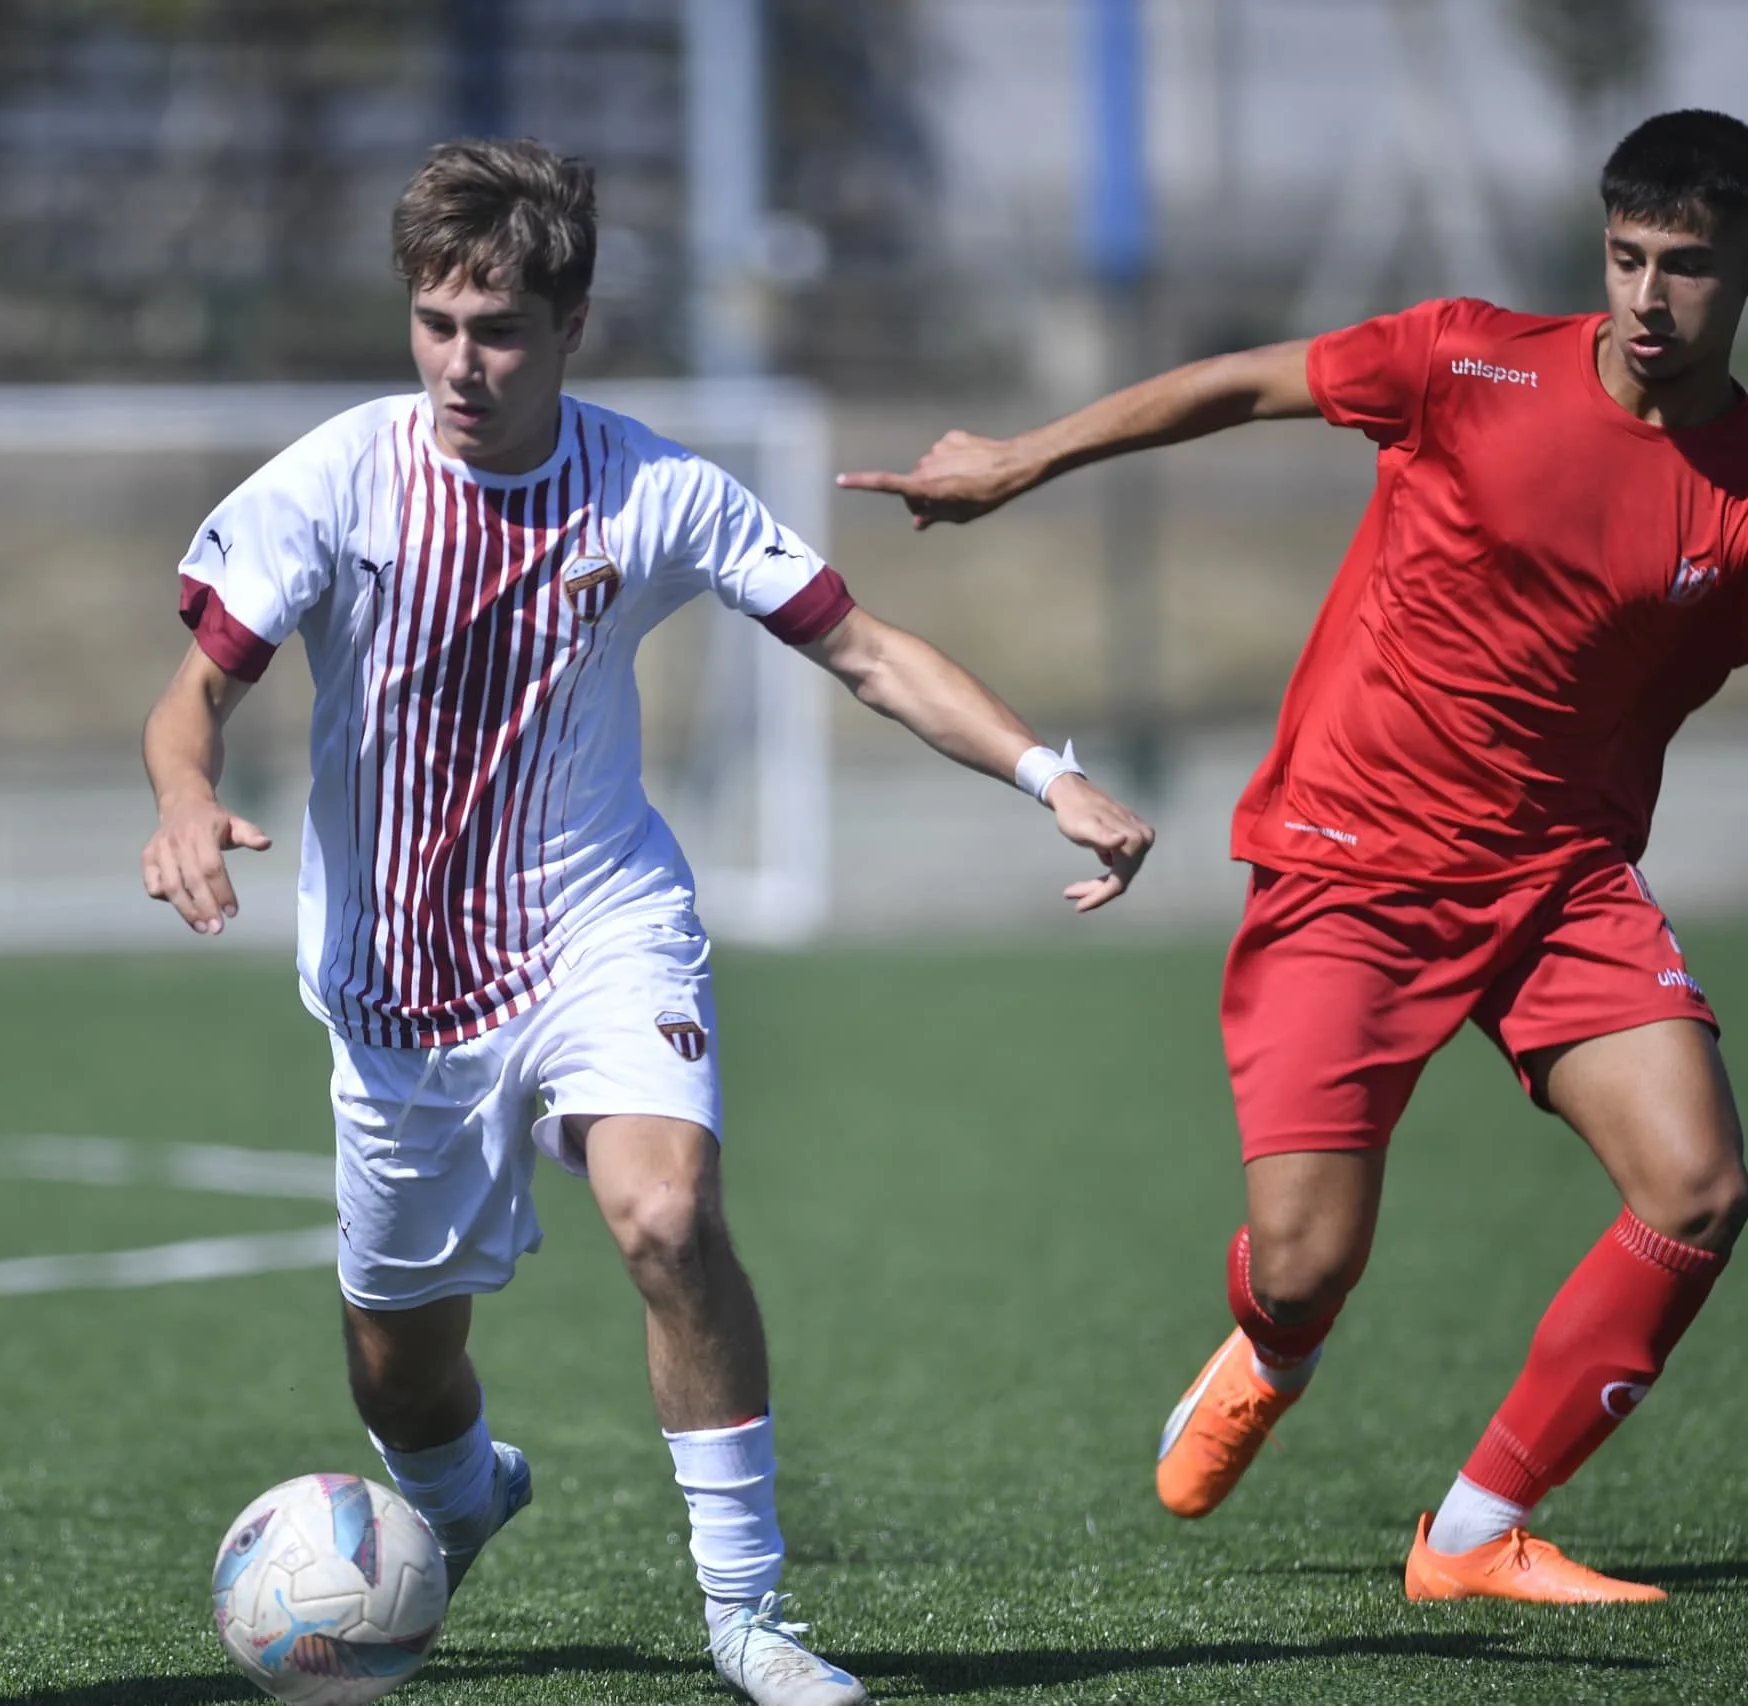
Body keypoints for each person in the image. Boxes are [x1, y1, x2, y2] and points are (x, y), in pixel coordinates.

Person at [144, 137, 1154, 1700]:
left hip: (601, 921)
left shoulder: (654, 488)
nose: (461, 364)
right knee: (399, 1368)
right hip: (396, 986)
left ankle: (747, 1612)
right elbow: (193, 697)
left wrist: (1050, 773)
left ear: (572, 324)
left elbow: (867, 650)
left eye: (497, 330)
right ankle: (467, 1487)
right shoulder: (334, 482)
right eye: (435, 323)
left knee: (668, 1218)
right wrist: (181, 800)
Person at [840, 109, 1748, 1603]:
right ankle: (1274, 1339)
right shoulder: (1466, 358)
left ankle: (1474, 1530)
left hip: (1562, 883)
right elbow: (1239, 383)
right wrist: (1024, 456)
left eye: (1694, 267)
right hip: (1353, 862)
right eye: (1630, 257)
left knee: (1701, 1184)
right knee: (1310, 1260)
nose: (1654, 298)